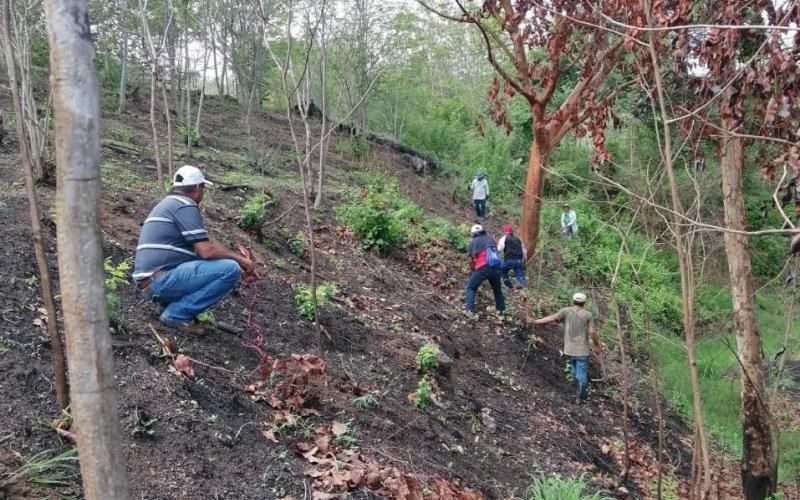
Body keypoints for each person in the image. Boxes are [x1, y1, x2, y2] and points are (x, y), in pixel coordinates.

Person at [133, 165, 254, 334]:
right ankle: (176, 314)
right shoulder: (185, 205)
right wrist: (240, 261)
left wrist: (242, 263)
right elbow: (207, 251)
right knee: (230, 269)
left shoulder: (170, 204)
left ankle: (169, 307)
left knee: (222, 264)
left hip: (152, 281)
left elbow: (208, 242)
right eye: (203, 188)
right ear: (198, 188)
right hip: (159, 282)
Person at [529, 293, 601, 403]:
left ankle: (578, 394)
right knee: (581, 373)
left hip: (569, 350)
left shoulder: (566, 311)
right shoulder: (588, 315)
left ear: (573, 301)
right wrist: (597, 345)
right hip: (582, 350)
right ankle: (581, 397)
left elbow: (552, 318)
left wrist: (535, 321)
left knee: (575, 372)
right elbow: (592, 331)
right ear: (584, 303)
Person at [465, 224, 505, 320]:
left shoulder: (472, 243)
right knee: (497, 290)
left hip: (482, 267)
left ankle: (470, 311)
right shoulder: (491, 239)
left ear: (473, 234)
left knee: (471, 288)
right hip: (495, 267)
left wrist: (474, 269)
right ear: (483, 231)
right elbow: (497, 250)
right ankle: (501, 313)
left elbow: (470, 260)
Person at [498, 224, 526, 289]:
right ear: (512, 231)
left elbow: (499, 249)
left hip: (509, 260)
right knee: (520, 275)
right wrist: (524, 260)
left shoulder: (504, 238)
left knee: (503, 270)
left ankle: (509, 286)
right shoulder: (518, 239)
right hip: (519, 261)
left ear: (504, 231)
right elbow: (524, 251)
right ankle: (524, 288)